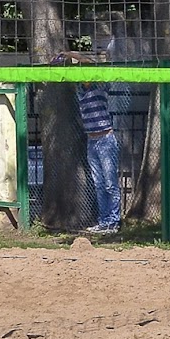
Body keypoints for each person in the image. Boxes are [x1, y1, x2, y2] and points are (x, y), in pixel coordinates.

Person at [59, 51, 121, 234]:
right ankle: (103, 222)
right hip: (91, 141)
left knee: (110, 184)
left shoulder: (100, 85)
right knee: (99, 184)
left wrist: (71, 53)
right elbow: (66, 70)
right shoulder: (80, 89)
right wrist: (64, 58)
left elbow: (90, 62)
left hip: (106, 139)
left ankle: (114, 222)